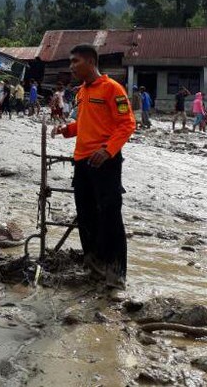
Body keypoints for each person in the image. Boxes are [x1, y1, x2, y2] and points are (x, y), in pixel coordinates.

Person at [52, 44, 136, 293]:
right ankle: (94, 264)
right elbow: (85, 122)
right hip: (82, 160)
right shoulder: (81, 92)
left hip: (105, 161)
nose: (71, 67)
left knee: (110, 214)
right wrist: (66, 130)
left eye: (75, 61)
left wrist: (108, 149)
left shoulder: (112, 88)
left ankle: (116, 272)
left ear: (90, 62)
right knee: (86, 213)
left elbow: (127, 123)